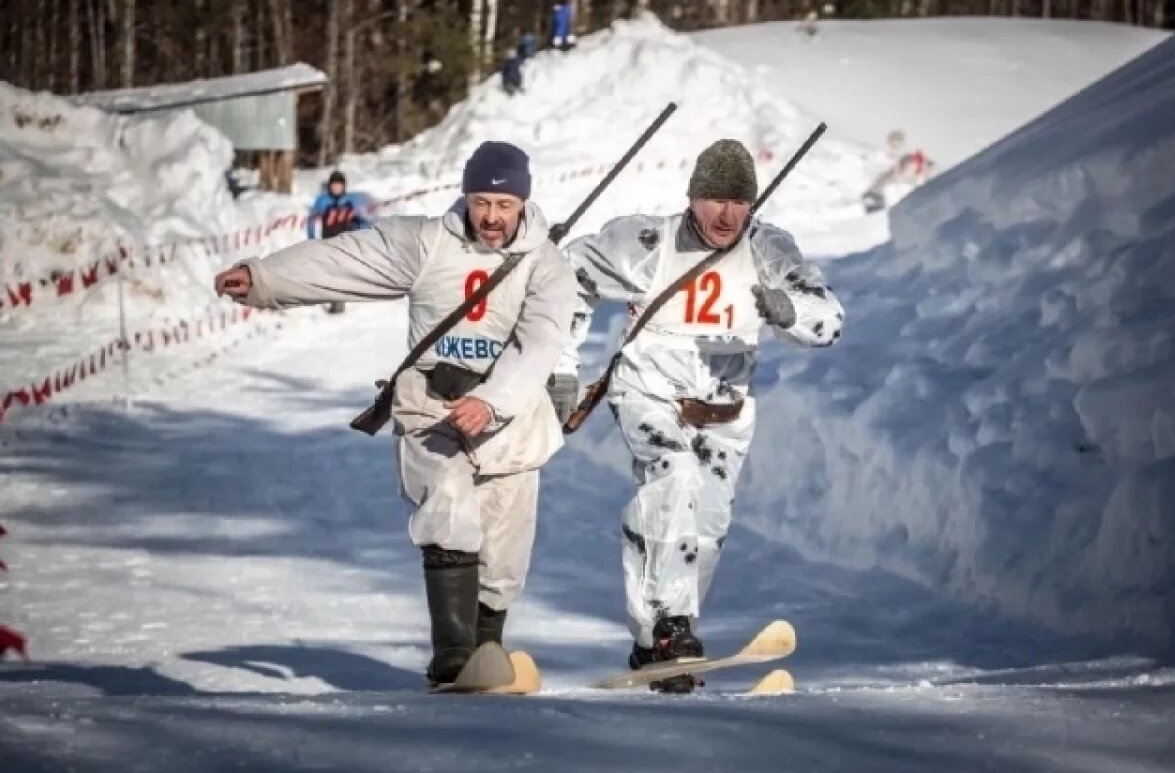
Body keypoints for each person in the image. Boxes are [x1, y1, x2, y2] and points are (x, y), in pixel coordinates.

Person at [214, 142, 577, 686]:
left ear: (524, 202)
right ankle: (453, 653)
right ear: (466, 196)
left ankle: (485, 651)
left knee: (504, 554)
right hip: (433, 408)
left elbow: (540, 342)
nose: (491, 217)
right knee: (448, 507)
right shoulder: (427, 242)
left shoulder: (547, 265)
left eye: (504, 205)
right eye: (481, 202)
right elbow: (346, 258)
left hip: (510, 417)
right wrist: (265, 279)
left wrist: (492, 401)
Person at [552, 139, 845, 693]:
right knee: (674, 477)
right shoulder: (647, 243)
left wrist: (791, 310)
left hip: (724, 412)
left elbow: (828, 318)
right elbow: (566, 276)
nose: (727, 215)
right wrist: (562, 367)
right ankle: (671, 628)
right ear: (692, 197)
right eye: (715, 200)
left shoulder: (767, 247)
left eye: (739, 202)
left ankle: (657, 644)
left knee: (706, 527)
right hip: (649, 393)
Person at [306, 170, 372, 313]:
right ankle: (337, 304)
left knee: (346, 271)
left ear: (344, 186)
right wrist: (311, 238)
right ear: (330, 186)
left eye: (339, 185)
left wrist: (363, 233)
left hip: (348, 240)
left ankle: (352, 295)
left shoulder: (351, 200)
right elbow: (311, 220)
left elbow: (364, 219)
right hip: (330, 240)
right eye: (334, 185)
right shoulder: (323, 200)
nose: (336, 188)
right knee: (334, 272)